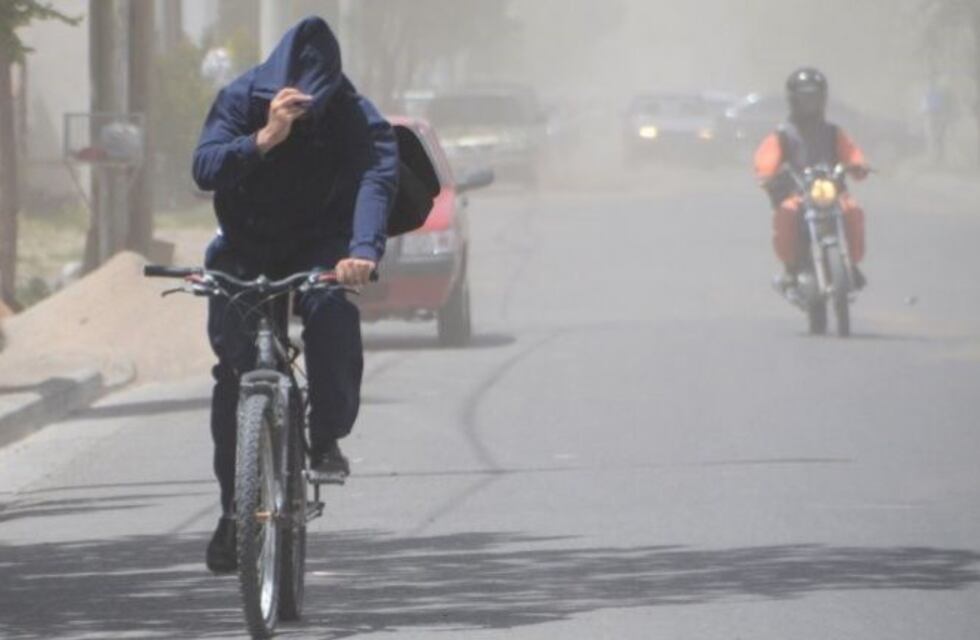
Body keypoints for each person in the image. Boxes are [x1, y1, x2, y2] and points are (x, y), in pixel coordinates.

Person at [192, 16, 398, 573]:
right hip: (245, 242)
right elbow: (203, 168)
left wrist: (362, 252)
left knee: (330, 310)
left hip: (318, 243)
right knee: (234, 372)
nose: (305, 114)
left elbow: (376, 176)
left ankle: (326, 432)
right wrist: (263, 138)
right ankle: (235, 511)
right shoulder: (240, 98)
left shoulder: (353, 114)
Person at [754, 68, 870, 290]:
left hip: (833, 194)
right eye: (805, 97)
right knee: (786, 214)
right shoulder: (783, 134)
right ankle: (790, 268)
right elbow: (767, 157)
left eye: (815, 97)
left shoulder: (833, 132)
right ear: (794, 100)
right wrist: (768, 173)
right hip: (797, 194)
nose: (810, 103)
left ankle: (851, 265)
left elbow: (851, 153)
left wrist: (858, 165)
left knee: (853, 212)